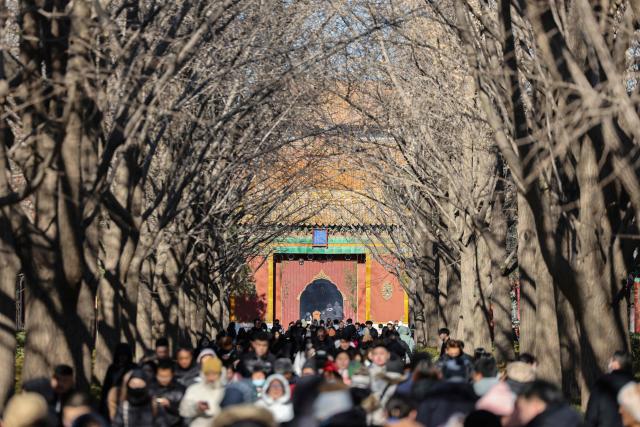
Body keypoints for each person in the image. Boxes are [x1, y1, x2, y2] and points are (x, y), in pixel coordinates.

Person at [585, 351, 634, 427]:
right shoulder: (635, 385)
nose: (609, 364)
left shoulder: (602, 382)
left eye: (611, 361)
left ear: (615, 363)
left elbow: (592, 414)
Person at [179, 357, 225, 427]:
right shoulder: (194, 389)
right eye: (208, 374)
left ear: (220, 374)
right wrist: (196, 407)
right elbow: (183, 411)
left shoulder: (225, 391)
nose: (211, 378)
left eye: (215, 374)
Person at [514, 380, 582, 427]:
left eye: (518, 407)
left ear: (536, 405)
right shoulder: (574, 419)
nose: (516, 411)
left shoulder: (538, 423)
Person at [101, 344, 135, 419]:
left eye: (124, 355)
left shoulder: (133, 368)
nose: (122, 357)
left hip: (128, 400)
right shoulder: (112, 368)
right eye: (120, 355)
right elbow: (106, 386)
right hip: (112, 399)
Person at [149, 359, 186, 427]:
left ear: (172, 375)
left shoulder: (180, 389)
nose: (163, 379)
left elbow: (185, 411)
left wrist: (170, 405)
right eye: (160, 376)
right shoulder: (150, 388)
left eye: (166, 377)